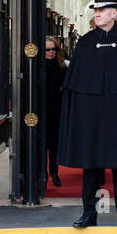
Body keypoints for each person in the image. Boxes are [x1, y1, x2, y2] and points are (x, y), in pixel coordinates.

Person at [58, 0, 117, 229]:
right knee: (91, 167)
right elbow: (74, 85)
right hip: (91, 116)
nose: (97, 14)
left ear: (114, 12)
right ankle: (89, 214)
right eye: (96, 11)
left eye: (101, 10)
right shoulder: (85, 42)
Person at [44, 35, 66, 188]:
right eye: (48, 49)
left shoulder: (62, 67)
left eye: (53, 49)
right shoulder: (36, 67)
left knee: (54, 146)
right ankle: (42, 174)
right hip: (41, 110)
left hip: (56, 110)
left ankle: (54, 172)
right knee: (41, 144)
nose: (51, 52)